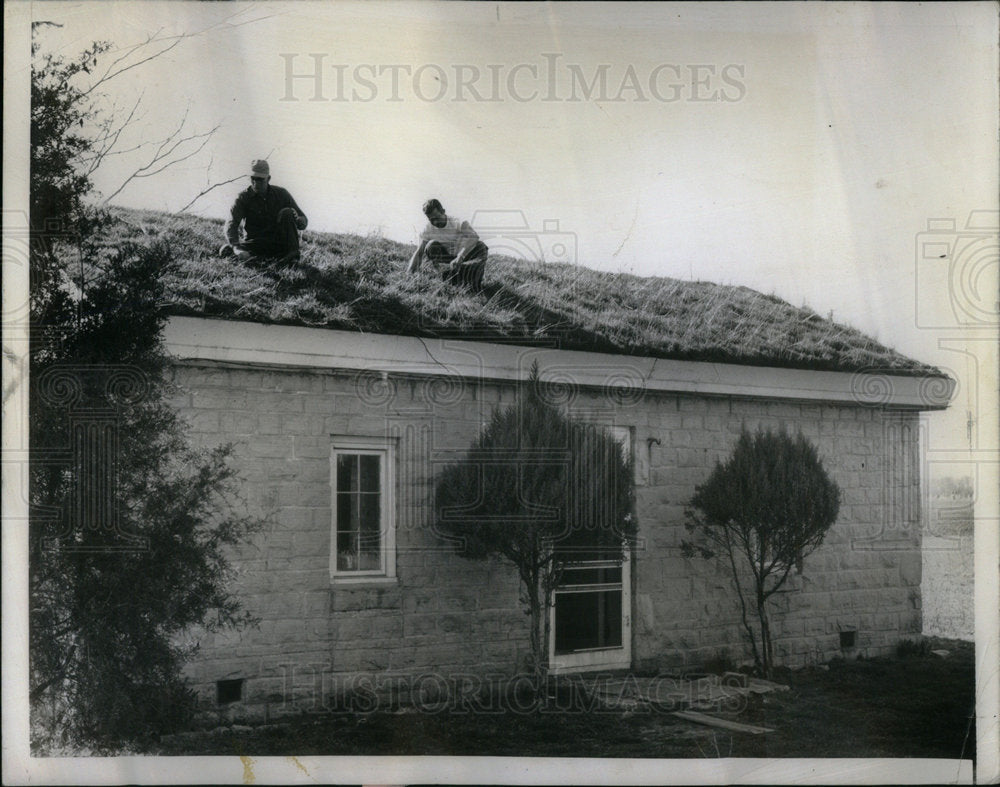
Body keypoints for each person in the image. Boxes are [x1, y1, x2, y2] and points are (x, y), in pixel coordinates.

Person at [219, 160, 308, 265]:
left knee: (287, 212)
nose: (256, 183)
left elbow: (303, 220)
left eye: (260, 179)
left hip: (278, 243)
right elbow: (231, 224)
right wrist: (236, 247)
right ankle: (259, 260)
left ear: (268, 178)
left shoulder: (282, 194)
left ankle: (292, 257)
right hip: (255, 243)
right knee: (226, 250)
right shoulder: (243, 198)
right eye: (253, 178)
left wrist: (299, 220)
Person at [406, 198, 488, 290]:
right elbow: (419, 253)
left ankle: (463, 276)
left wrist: (461, 256)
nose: (435, 222)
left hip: (464, 258)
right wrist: (409, 275)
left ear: (443, 211)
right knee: (431, 245)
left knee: (481, 246)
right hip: (448, 262)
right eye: (431, 220)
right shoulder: (428, 229)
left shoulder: (458, 221)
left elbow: (474, 237)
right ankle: (450, 275)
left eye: (437, 218)